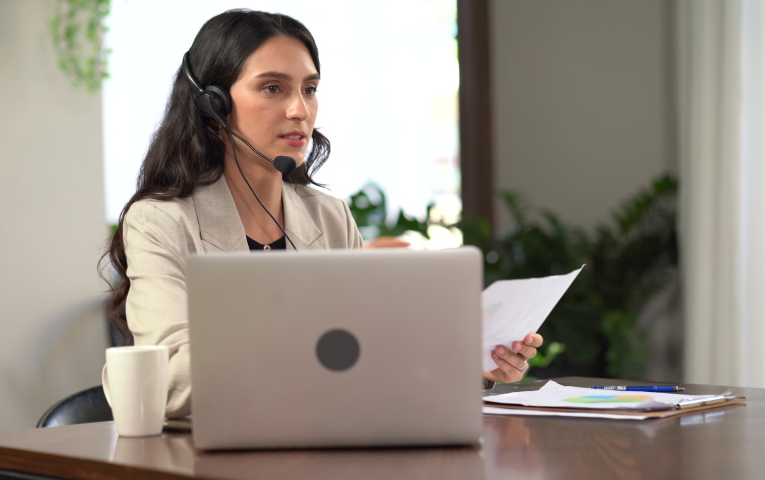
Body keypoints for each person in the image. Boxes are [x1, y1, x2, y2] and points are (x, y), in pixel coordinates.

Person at [103, 9, 543, 418]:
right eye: (272, 87)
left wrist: (476, 365)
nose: (300, 110)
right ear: (213, 105)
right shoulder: (161, 221)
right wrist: (321, 308)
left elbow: (367, 364)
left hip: (328, 442)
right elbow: (169, 383)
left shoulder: (328, 217)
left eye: (309, 89)